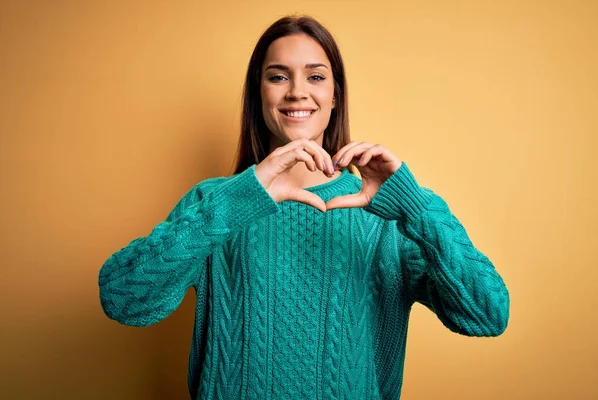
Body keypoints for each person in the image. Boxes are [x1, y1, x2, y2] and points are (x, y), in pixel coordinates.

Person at [98, 14, 510, 400]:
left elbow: (486, 315)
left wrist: (414, 206)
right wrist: (240, 199)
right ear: (259, 95)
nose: (297, 91)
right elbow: (122, 299)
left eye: (315, 76)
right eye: (278, 77)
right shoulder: (216, 203)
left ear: (334, 96)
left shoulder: (386, 216)